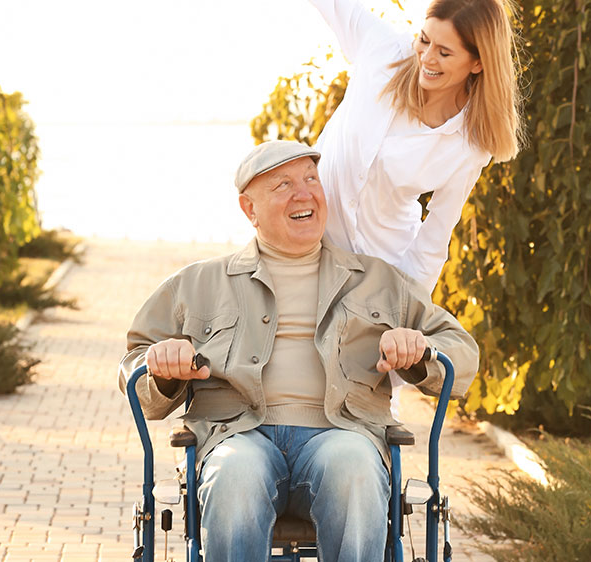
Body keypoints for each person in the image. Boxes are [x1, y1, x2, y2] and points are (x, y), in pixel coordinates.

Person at [118, 140, 479, 562]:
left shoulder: (378, 281)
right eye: (282, 185)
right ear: (248, 209)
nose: (304, 193)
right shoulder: (197, 284)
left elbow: (462, 353)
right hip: (235, 435)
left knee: (355, 469)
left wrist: (420, 351)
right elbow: (133, 365)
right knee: (234, 473)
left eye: (311, 179)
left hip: (343, 433)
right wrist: (161, 366)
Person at [307, 0, 525, 293]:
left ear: (478, 63)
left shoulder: (470, 144)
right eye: (424, 40)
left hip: (381, 273)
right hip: (308, 250)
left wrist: (408, 312)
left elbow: (435, 236)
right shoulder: (382, 49)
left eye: (444, 52)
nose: (426, 58)